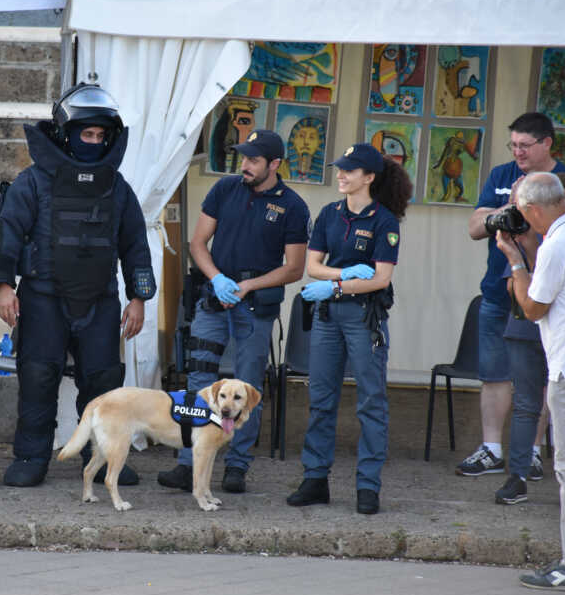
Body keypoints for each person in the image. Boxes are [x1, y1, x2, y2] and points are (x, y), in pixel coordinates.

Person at [0, 83, 156, 488]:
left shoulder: (118, 188)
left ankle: (102, 457)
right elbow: (8, 233)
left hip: (99, 300)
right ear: (67, 132)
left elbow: (135, 244)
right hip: (44, 298)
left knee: (103, 382)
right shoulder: (31, 183)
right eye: (88, 134)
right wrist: (3, 286)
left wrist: (138, 298)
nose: (95, 142)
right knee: (38, 378)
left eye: (102, 136)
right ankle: (31, 457)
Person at [157, 130, 309, 494]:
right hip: (214, 300)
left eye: (254, 160)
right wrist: (218, 278)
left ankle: (236, 466)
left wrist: (247, 287)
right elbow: (197, 243)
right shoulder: (225, 189)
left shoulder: (292, 206)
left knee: (246, 390)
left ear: (274, 164)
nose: (245, 165)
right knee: (199, 382)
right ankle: (189, 462)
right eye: (243, 158)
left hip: (255, 306)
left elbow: (294, 268)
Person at [287, 143, 412, 515]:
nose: (340, 175)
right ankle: (314, 479)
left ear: (369, 177)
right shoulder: (329, 214)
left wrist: (339, 284)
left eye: (349, 170)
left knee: (371, 402)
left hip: (363, 318)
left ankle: (368, 486)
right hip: (329, 317)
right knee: (321, 399)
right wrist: (344, 276)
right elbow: (314, 267)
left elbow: (381, 279)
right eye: (340, 169)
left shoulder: (384, 220)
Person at [460, 112, 565, 477]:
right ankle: (491, 448)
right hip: (498, 291)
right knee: (494, 373)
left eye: (525, 145)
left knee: (542, 378)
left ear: (547, 143)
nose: (518, 152)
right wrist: (507, 212)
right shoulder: (501, 175)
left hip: (546, 293)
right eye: (513, 145)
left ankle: (530, 451)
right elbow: (473, 227)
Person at [497, 172, 565, 593]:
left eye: (521, 210)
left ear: (533, 209)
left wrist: (516, 262)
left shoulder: (556, 243)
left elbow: (533, 308)